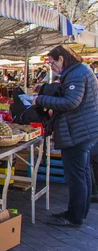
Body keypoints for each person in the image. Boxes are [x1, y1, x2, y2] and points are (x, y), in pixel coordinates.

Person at [33, 46, 98, 227]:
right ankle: (78, 213)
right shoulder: (80, 71)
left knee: (76, 176)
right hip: (83, 130)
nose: (52, 67)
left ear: (62, 58)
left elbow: (71, 102)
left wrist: (40, 100)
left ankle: (74, 217)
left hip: (77, 132)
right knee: (83, 173)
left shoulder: (76, 74)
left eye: (53, 63)